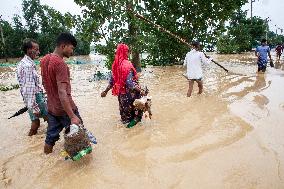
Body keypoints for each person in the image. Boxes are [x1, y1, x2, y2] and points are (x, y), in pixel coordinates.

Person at [40, 32, 82, 154]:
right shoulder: (60, 64)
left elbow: (44, 83)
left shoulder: (44, 60)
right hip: (66, 110)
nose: (72, 52)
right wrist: (72, 116)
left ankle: (47, 161)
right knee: (80, 139)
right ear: (63, 46)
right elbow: (62, 92)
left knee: (49, 140)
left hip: (52, 109)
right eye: (71, 48)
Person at [101, 43, 145, 128]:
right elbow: (130, 83)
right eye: (128, 51)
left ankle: (126, 136)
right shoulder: (127, 64)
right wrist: (141, 91)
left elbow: (112, 81)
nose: (129, 54)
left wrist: (105, 91)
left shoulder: (115, 64)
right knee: (136, 117)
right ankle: (132, 134)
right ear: (125, 52)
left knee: (125, 118)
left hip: (122, 97)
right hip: (130, 97)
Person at [16, 39, 48, 136]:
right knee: (52, 118)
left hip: (29, 99)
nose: (38, 52)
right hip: (35, 98)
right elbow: (29, 89)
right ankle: (51, 142)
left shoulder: (23, 63)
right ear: (29, 50)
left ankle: (31, 142)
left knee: (35, 122)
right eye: (36, 49)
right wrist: (35, 107)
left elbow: (26, 87)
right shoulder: (28, 66)